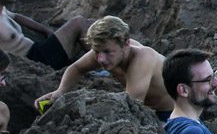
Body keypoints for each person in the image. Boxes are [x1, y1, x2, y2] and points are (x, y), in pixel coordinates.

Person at [36, 16, 171, 115]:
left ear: (126, 44)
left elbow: (130, 106)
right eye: (96, 51)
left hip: (171, 114)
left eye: (107, 52)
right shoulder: (106, 50)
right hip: (148, 112)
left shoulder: (143, 59)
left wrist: (81, 105)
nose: (101, 59)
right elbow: (76, 68)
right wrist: (60, 91)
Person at [0, 0, 91, 71]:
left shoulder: (2, 10)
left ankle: (103, 61)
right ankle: (102, 61)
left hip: (40, 51)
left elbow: (16, 16)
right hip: (37, 61)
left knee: (90, 25)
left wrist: (45, 30)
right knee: (78, 22)